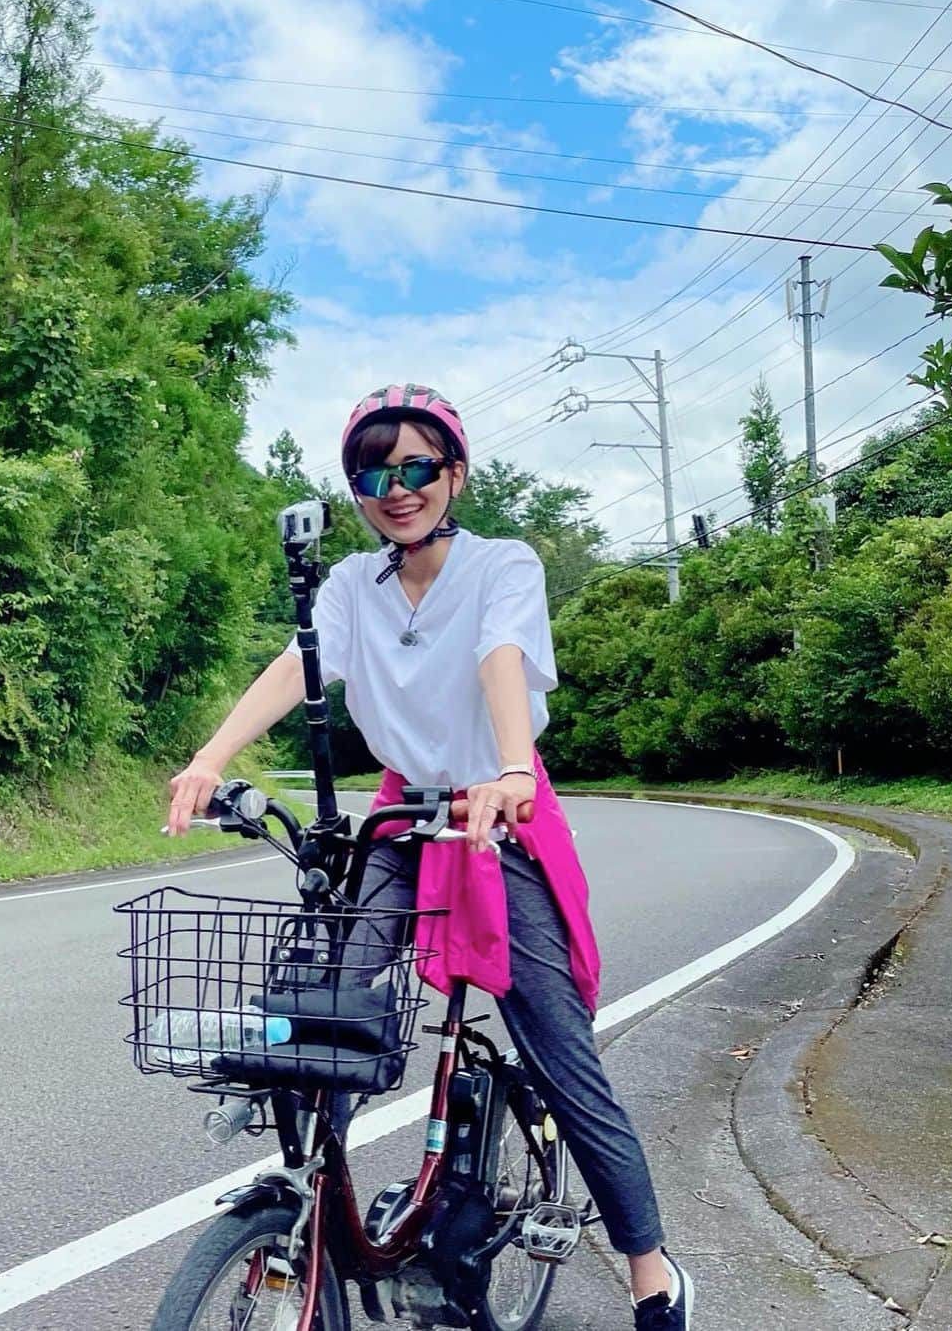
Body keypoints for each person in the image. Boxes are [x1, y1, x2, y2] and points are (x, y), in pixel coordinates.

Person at [167, 382, 693, 1330]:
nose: (395, 487)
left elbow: (500, 656)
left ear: (453, 473)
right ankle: (315, 1212)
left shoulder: (504, 564)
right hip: (406, 818)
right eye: (375, 471)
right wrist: (211, 757)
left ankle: (651, 1268)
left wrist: (506, 769)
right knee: (327, 1018)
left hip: (498, 817)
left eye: (416, 466)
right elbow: (299, 663)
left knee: (561, 1055)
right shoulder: (350, 588)